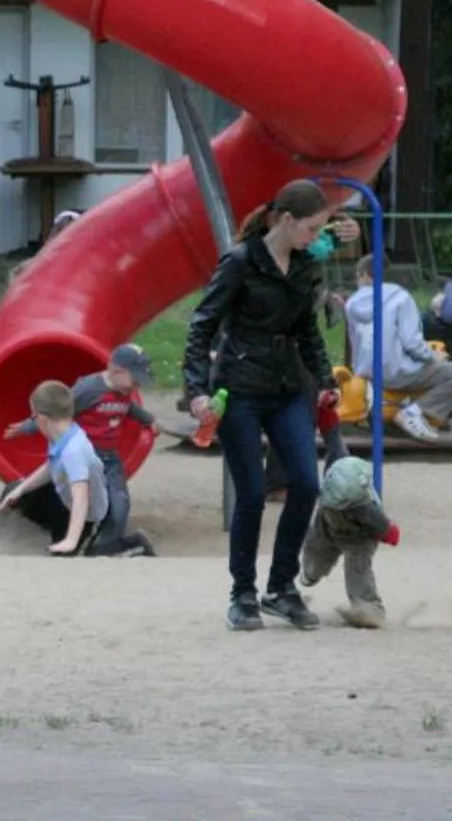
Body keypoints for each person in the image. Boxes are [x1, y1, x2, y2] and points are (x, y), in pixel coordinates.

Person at [183, 178, 342, 632]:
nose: (316, 238)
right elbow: (202, 326)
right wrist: (197, 390)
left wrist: (326, 381)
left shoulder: (306, 268)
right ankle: (243, 593)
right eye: (311, 229)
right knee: (251, 494)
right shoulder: (240, 263)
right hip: (241, 389)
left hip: (289, 386)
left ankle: (281, 588)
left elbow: (308, 332)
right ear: (286, 220)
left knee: (307, 485)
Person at [1, 343, 157, 556]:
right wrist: (29, 425)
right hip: (86, 454)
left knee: (119, 506)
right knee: (67, 495)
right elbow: (58, 407)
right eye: (135, 379)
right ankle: (80, 539)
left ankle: (108, 545)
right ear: (117, 371)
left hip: (109, 458)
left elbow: (130, 408)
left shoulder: (124, 391)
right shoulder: (89, 389)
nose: (137, 386)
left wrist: (149, 420)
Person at [343, 255, 452, 442]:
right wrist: (432, 355)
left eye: (357, 277)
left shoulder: (352, 303)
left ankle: (404, 412)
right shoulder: (400, 297)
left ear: (365, 275)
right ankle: (416, 413)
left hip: (366, 373)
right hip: (396, 372)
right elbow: (412, 343)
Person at [0, 380, 103, 555]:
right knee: (12, 492)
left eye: (33, 417)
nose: (33, 421)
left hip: (89, 515)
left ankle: (127, 544)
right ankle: (57, 530)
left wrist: (71, 540)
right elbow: (52, 466)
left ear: (42, 418)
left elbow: (81, 497)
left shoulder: (73, 451)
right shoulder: (60, 436)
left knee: (65, 554)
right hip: (64, 499)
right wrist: (20, 489)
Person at [301, 455, 403, 628]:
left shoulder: (366, 508)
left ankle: (369, 608)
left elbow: (386, 529)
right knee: (316, 555)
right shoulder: (326, 493)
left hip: (359, 539)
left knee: (358, 571)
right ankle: (311, 573)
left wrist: (390, 534)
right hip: (326, 530)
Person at [423, 279, 452, 355]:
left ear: (439, 311)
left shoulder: (428, 324)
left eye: (443, 298)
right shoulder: (451, 326)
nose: (439, 294)